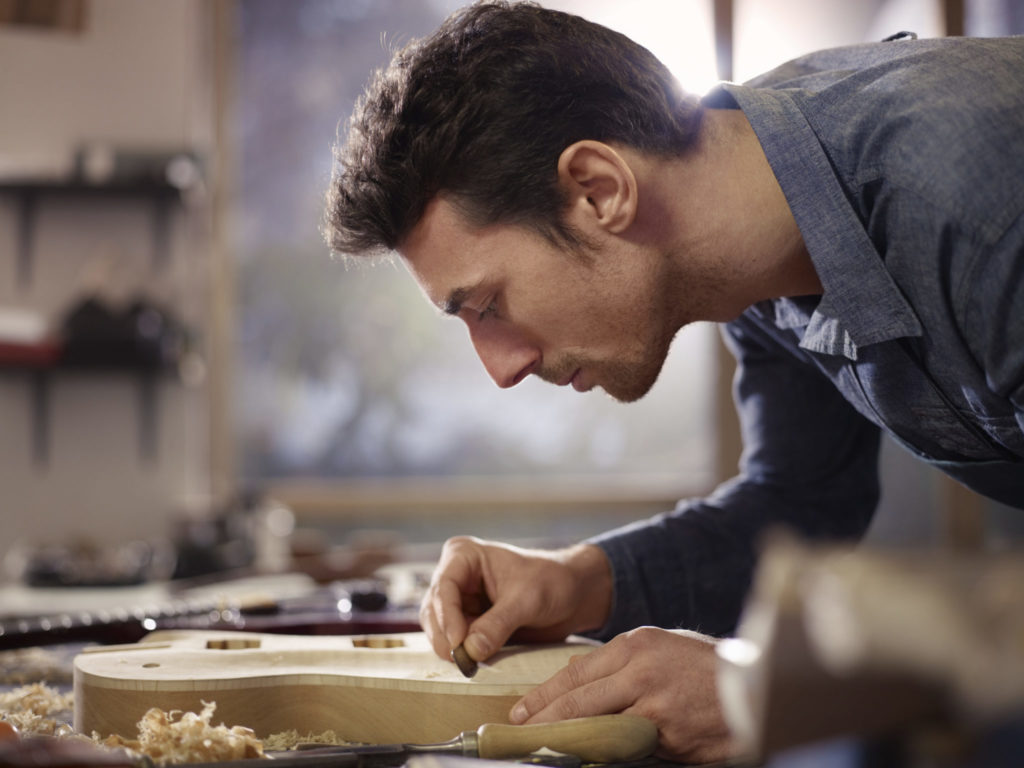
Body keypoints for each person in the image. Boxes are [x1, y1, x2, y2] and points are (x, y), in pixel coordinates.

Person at [323, 1, 1024, 762]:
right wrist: (583, 581)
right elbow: (803, 501)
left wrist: (766, 684)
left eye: (489, 306)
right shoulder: (753, 241)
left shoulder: (987, 207)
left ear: (598, 189)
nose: (500, 370)